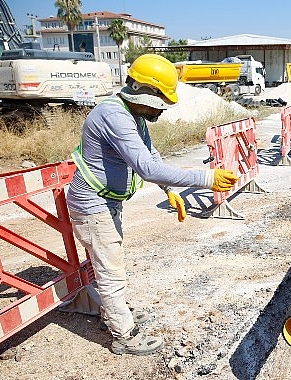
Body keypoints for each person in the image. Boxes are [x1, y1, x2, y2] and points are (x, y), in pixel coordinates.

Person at [66, 54, 239, 356]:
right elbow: (145, 168)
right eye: (162, 102)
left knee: (110, 262)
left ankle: (115, 311)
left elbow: (151, 155)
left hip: (106, 203)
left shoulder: (133, 115)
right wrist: (205, 178)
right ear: (144, 93)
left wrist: (169, 190)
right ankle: (123, 334)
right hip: (93, 205)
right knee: (110, 269)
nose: (163, 109)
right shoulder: (115, 117)